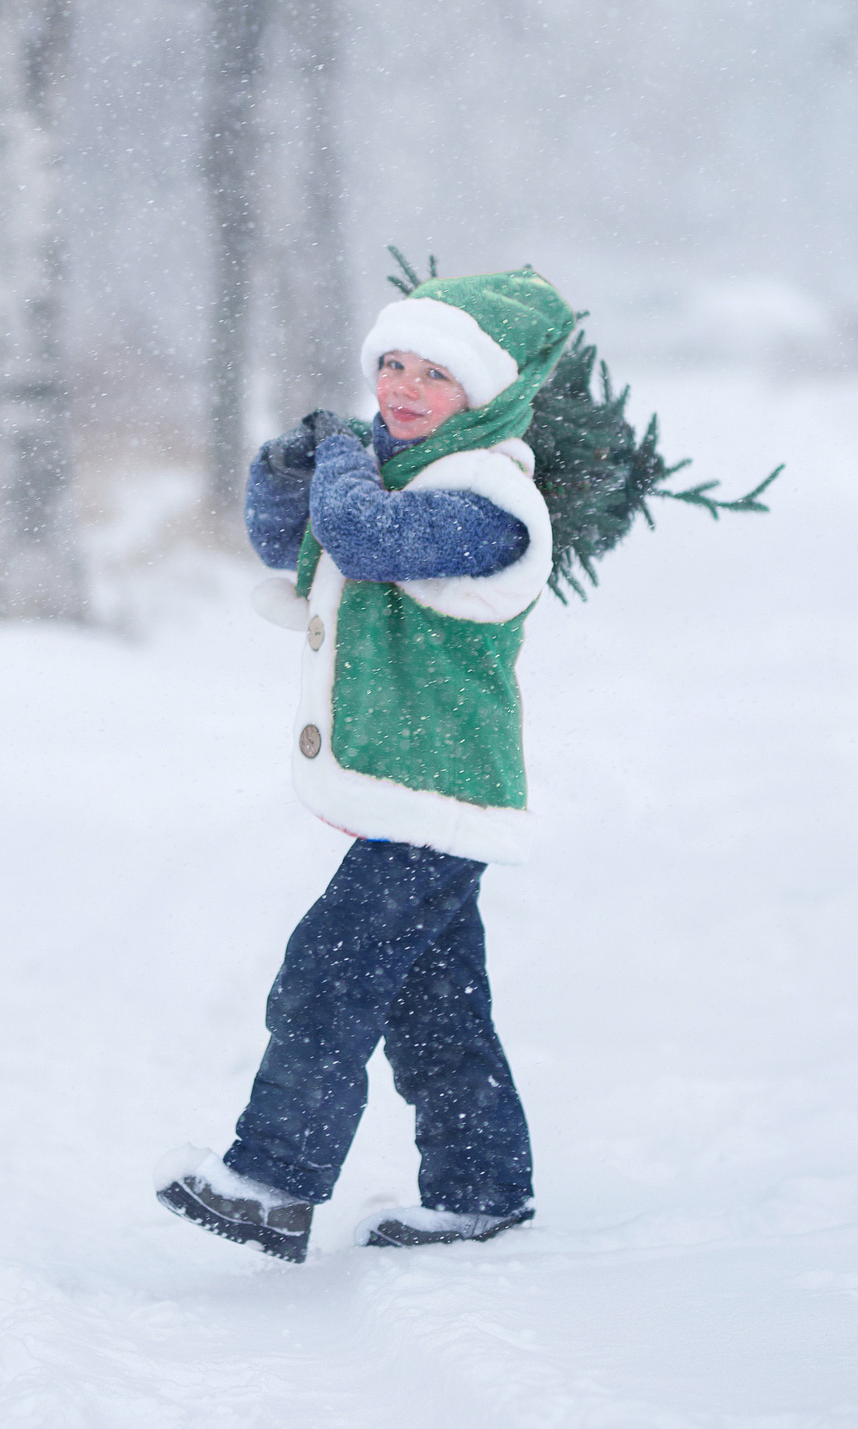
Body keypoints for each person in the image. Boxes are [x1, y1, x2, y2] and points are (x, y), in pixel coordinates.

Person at [157, 267, 577, 1264]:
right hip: (407, 792)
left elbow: (363, 536)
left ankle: (273, 1182)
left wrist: (342, 461)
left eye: (435, 371)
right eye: (390, 360)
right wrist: (288, 460)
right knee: (438, 1009)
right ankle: (479, 1191)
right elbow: (286, 536)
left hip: (443, 793)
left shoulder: (490, 501)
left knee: (328, 974)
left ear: (487, 392)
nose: (401, 383)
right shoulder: (395, 471)